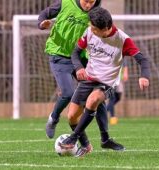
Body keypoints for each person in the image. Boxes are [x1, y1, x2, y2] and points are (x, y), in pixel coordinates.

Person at [59, 7, 150, 157]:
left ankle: (72, 139)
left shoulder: (122, 40)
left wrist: (144, 76)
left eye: (94, 29)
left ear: (106, 29)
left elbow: (142, 59)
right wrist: (79, 67)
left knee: (93, 100)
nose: (91, 30)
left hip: (107, 83)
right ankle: (90, 144)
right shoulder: (89, 31)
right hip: (89, 79)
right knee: (71, 117)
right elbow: (75, 52)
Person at [38, 0, 124, 155]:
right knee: (68, 94)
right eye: (86, 1)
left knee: (98, 95)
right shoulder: (65, 3)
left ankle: (100, 140)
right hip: (58, 54)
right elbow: (45, 13)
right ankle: (54, 118)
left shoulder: (95, 13)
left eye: (92, 2)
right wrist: (42, 23)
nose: (89, 5)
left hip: (81, 57)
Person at [107, 60, 128, 125]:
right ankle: (113, 117)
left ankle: (103, 111)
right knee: (112, 98)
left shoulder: (121, 53)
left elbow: (125, 63)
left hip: (119, 79)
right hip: (110, 78)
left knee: (118, 97)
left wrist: (125, 73)